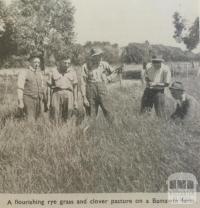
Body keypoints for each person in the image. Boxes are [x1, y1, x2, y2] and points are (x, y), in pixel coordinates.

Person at [80, 48, 115, 124]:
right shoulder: (85, 66)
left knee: (108, 110)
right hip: (90, 91)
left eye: (101, 55)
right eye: (98, 55)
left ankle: (113, 130)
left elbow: (114, 72)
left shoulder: (104, 64)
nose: (100, 57)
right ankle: (90, 131)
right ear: (93, 57)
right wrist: (84, 97)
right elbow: (83, 82)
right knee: (91, 113)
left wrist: (108, 78)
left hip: (102, 89)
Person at [48, 57, 78, 123]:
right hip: (56, 93)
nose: (67, 65)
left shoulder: (73, 72)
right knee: (55, 113)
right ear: (60, 62)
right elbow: (49, 87)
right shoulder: (53, 71)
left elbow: (75, 87)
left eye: (68, 63)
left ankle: (66, 130)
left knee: (69, 112)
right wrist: (48, 101)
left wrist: (75, 101)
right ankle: (55, 129)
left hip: (69, 94)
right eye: (65, 63)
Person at [17, 53, 45, 121]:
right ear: (30, 62)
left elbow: (42, 86)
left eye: (38, 62)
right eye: (35, 62)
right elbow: (20, 88)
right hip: (28, 100)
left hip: (38, 100)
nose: (37, 64)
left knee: (38, 119)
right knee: (30, 120)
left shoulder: (39, 73)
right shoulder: (24, 72)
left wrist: (43, 99)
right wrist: (20, 102)